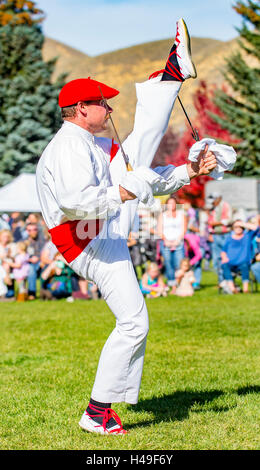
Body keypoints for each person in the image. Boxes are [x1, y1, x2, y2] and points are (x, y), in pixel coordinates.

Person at [36, 18, 217, 435]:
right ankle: (96, 412)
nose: (112, 109)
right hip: (87, 240)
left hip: (99, 231)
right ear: (81, 108)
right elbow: (75, 203)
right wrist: (127, 190)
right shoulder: (67, 147)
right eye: (103, 102)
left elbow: (142, 173)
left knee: (136, 149)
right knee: (134, 322)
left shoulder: (91, 143)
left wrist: (190, 170)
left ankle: (170, 75)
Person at [221, 218, 259, 294]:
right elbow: (223, 251)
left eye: (240, 227)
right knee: (224, 266)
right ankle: (232, 288)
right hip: (230, 262)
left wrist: (241, 223)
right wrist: (224, 257)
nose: (238, 229)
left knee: (244, 266)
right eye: (236, 227)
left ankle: (245, 289)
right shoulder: (229, 238)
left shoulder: (247, 236)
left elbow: (256, 228)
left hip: (243, 262)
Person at [157, 196, 186, 292]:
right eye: (170, 203)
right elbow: (159, 230)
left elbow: (184, 229)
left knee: (179, 264)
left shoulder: (181, 215)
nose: (172, 205)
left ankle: (179, 283)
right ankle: (172, 283)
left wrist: (178, 240)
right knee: (168, 263)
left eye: (173, 203)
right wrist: (166, 240)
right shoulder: (162, 215)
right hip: (166, 243)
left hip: (178, 242)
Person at [208, 193, 232, 289]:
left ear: (219, 198)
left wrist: (215, 223)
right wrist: (210, 232)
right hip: (215, 235)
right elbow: (209, 222)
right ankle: (221, 281)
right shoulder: (213, 208)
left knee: (226, 258)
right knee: (217, 260)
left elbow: (228, 220)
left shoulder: (226, 206)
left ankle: (229, 281)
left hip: (225, 235)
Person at [26, 223, 46, 300]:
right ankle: (32, 293)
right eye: (30, 230)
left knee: (43, 266)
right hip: (28, 263)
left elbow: (46, 252)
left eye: (35, 229)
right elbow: (20, 254)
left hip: (41, 261)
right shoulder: (24, 241)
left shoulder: (43, 241)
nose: (33, 232)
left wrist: (38, 258)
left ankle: (43, 293)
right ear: (27, 231)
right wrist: (29, 258)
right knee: (31, 269)